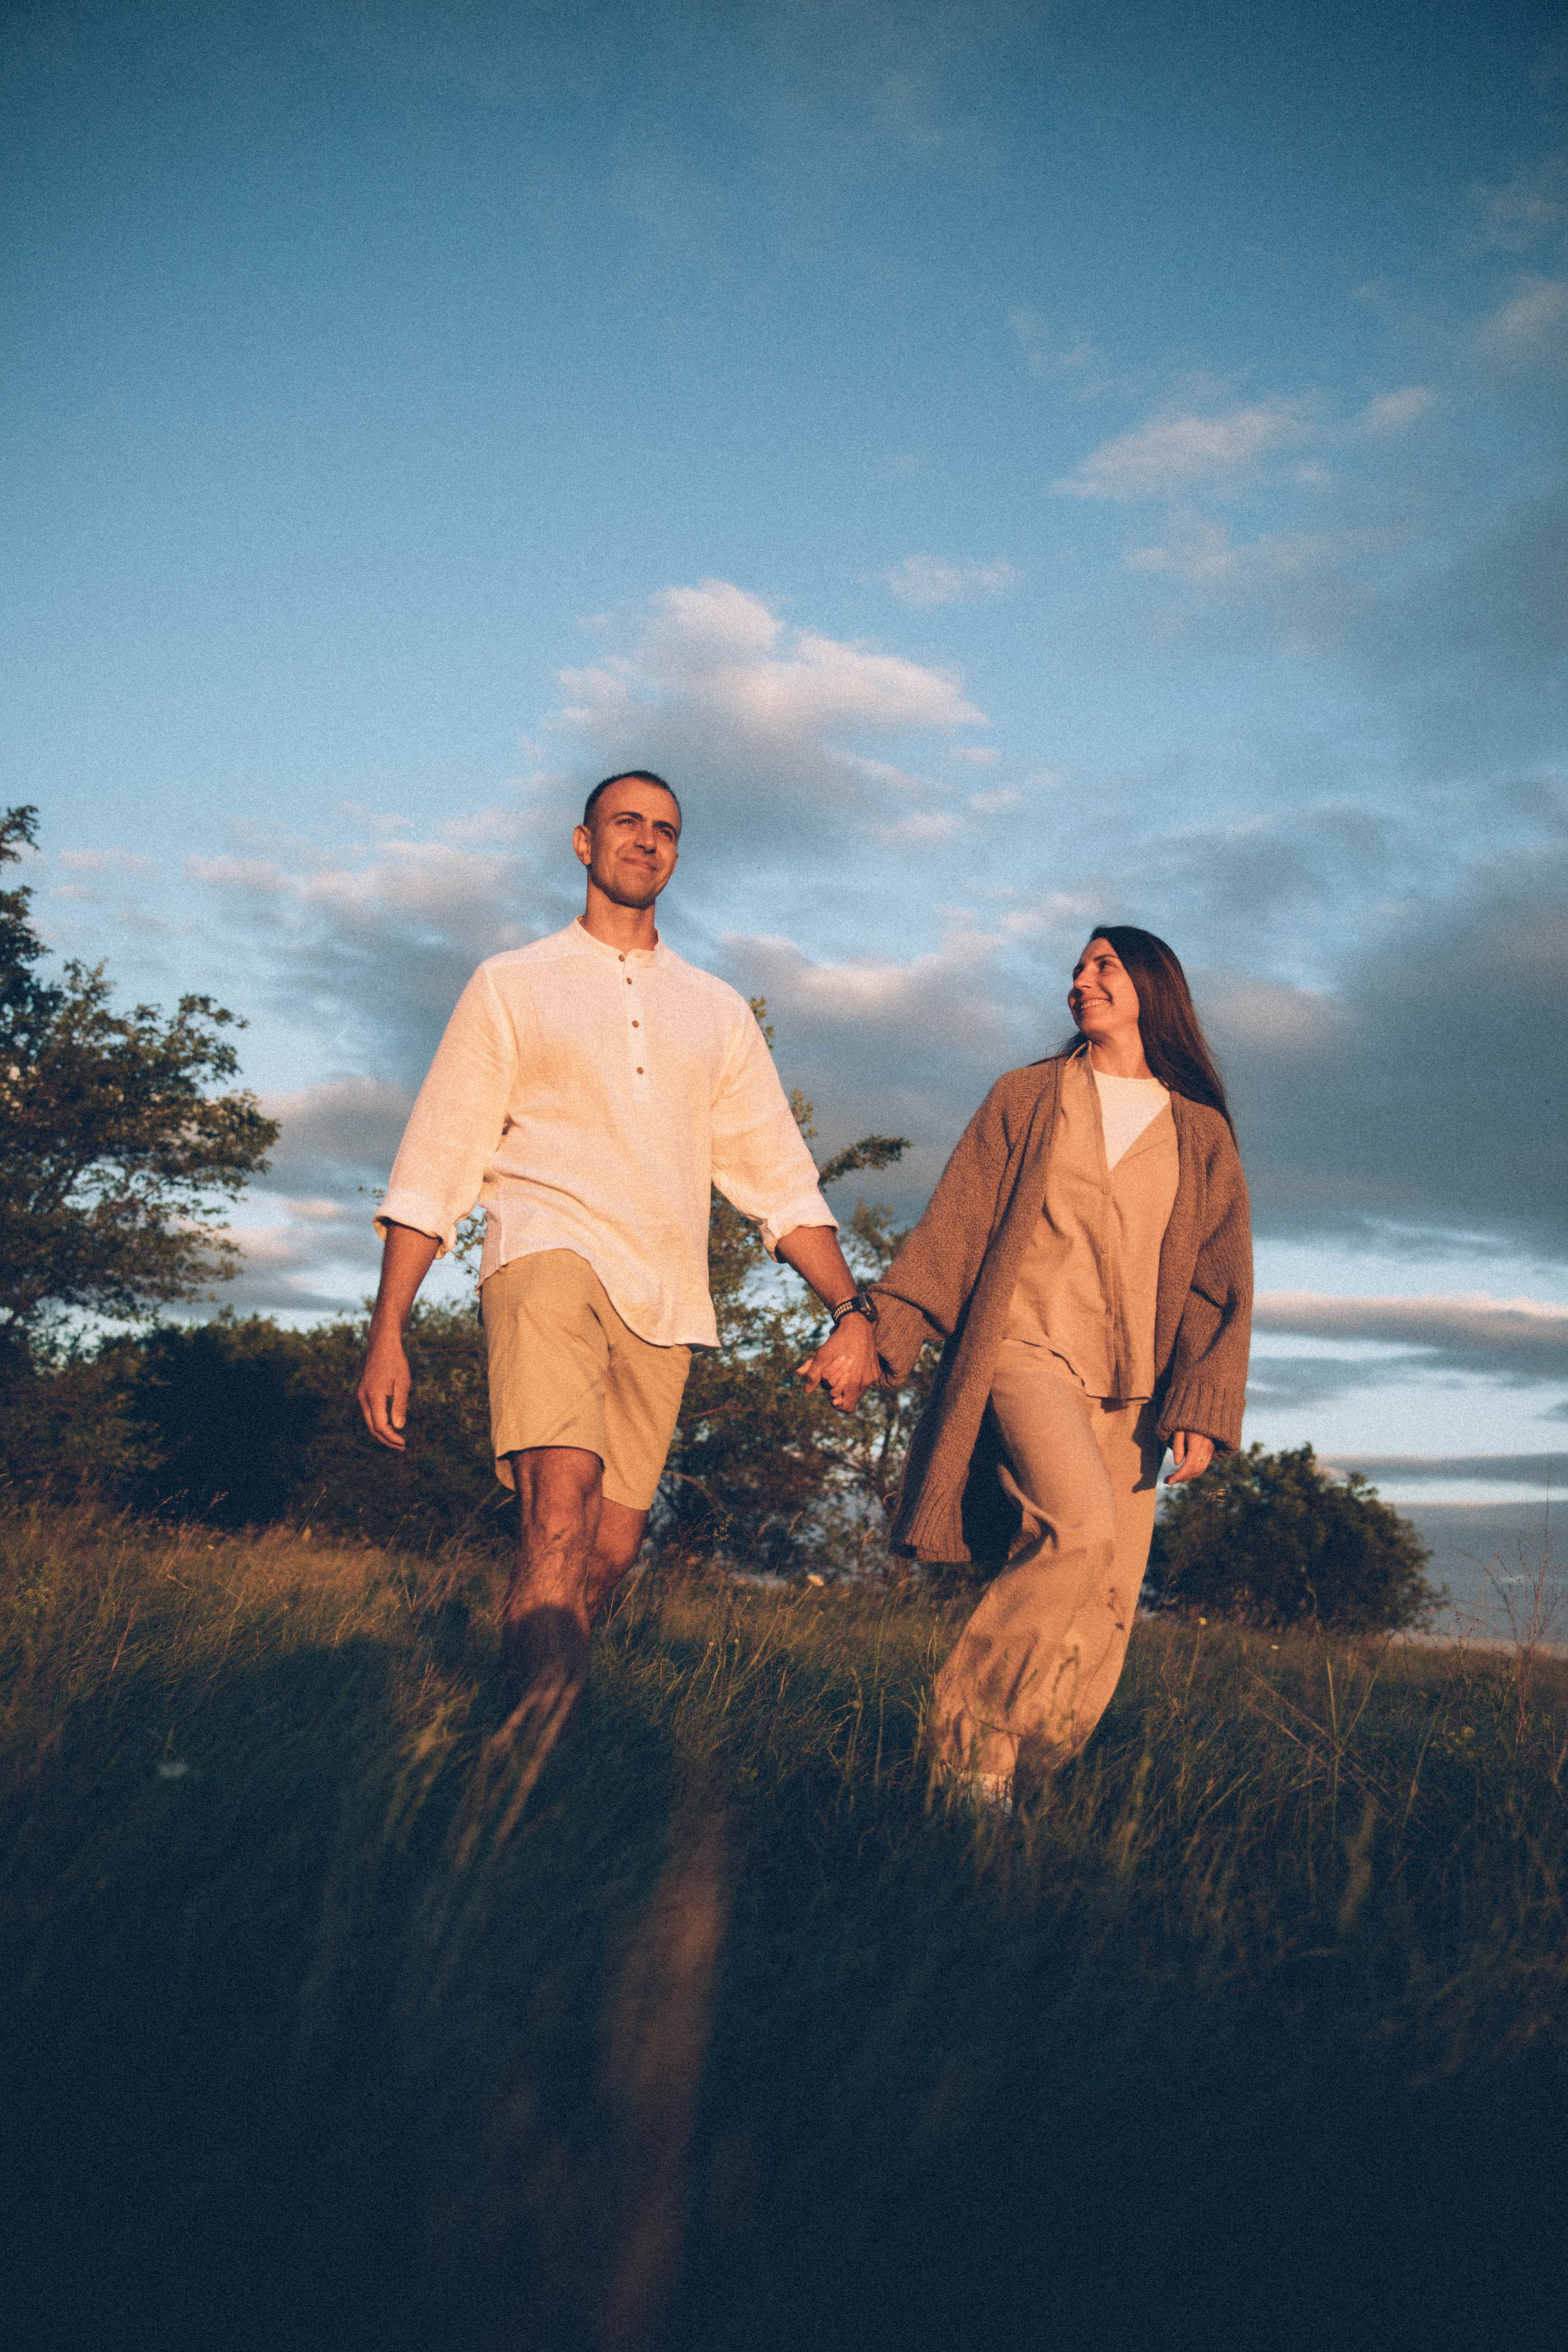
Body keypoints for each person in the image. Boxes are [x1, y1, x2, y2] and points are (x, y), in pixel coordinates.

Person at [357, 770, 880, 1721]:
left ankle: (525, 1719)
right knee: (560, 1504)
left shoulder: (716, 1010)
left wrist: (850, 1310)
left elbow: (778, 1177)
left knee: (608, 1551)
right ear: (583, 843)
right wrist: (387, 1328)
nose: (647, 841)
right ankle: (521, 1782)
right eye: (626, 823)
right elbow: (435, 1160)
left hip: (665, 1294)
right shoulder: (510, 984)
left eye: (666, 831)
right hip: (543, 1252)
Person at [801, 925, 1252, 1806]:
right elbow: (954, 1234)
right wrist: (874, 1334)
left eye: (1104, 966)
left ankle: (1028, 1789)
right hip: (1024, 1348)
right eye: (1079, 968)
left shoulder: (1200, 1136)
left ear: (1155, 988)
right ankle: (967, 1756)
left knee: (1109, 1599)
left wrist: (1202, 1398)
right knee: (1076, 1534)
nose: (1081, 980)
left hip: (1136, 1391)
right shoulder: (1029, 1097)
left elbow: (1217, 1284)